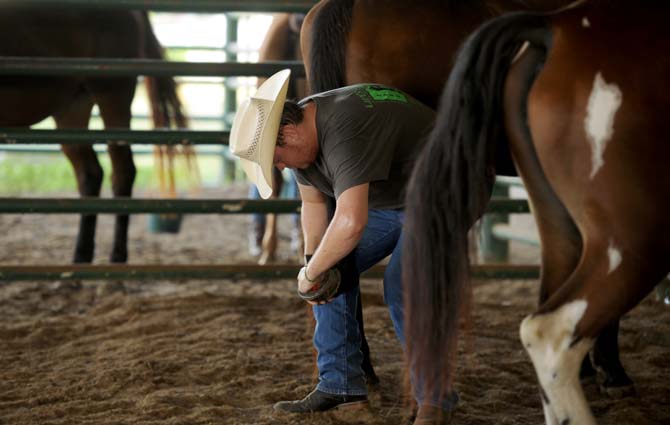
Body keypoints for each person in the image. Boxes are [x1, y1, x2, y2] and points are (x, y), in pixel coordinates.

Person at [229, 70, 458, 422]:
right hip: (391, 197)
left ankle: (435, 397)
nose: (281, 167)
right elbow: (315, 205)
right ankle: (341, 385)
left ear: (287, 133)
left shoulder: (343, 129)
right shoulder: (301, 140)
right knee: (327, 270)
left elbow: (351, 222)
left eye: (277, 159)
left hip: (444, 192)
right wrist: (313, 266)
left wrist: (310, 271)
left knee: (402, 283)